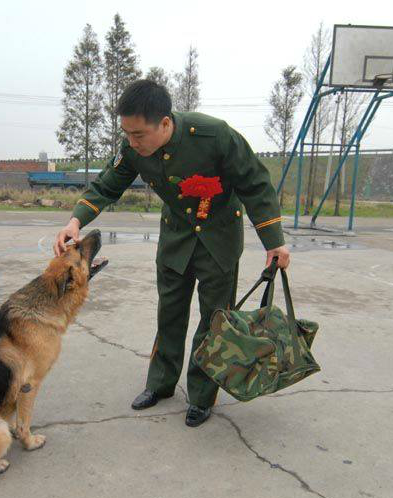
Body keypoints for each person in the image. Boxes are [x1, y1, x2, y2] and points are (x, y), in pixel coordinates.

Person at [54, 80, 289, 427]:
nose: (132, 143)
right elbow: (108, 183)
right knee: (170, 316)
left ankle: (202, 396)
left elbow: (255, 183)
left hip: (218, 241)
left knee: (214, 320)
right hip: (176, 240)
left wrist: (274, 240)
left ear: (165, 123)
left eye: (139, 135)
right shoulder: (133, 146)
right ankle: (160, 384)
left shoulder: (214, 136)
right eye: (127, 135)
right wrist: (76, 221)